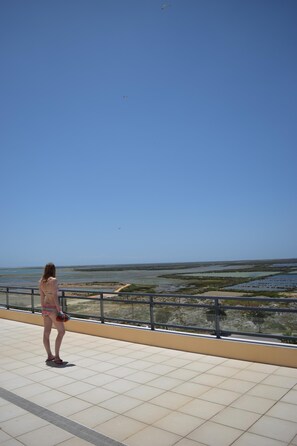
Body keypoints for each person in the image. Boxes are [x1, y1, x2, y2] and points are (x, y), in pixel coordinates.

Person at [39, 262, 65, 365]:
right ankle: (57, 357)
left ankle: (49, 355)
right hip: (53, 308)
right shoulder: (54, 280)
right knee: (61, 331)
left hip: (45, 308)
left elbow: (41, 297)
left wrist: (42, 310)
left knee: (46, 333)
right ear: (53, 270)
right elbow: (55, 296)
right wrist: (60, 310)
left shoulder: (41, 281)